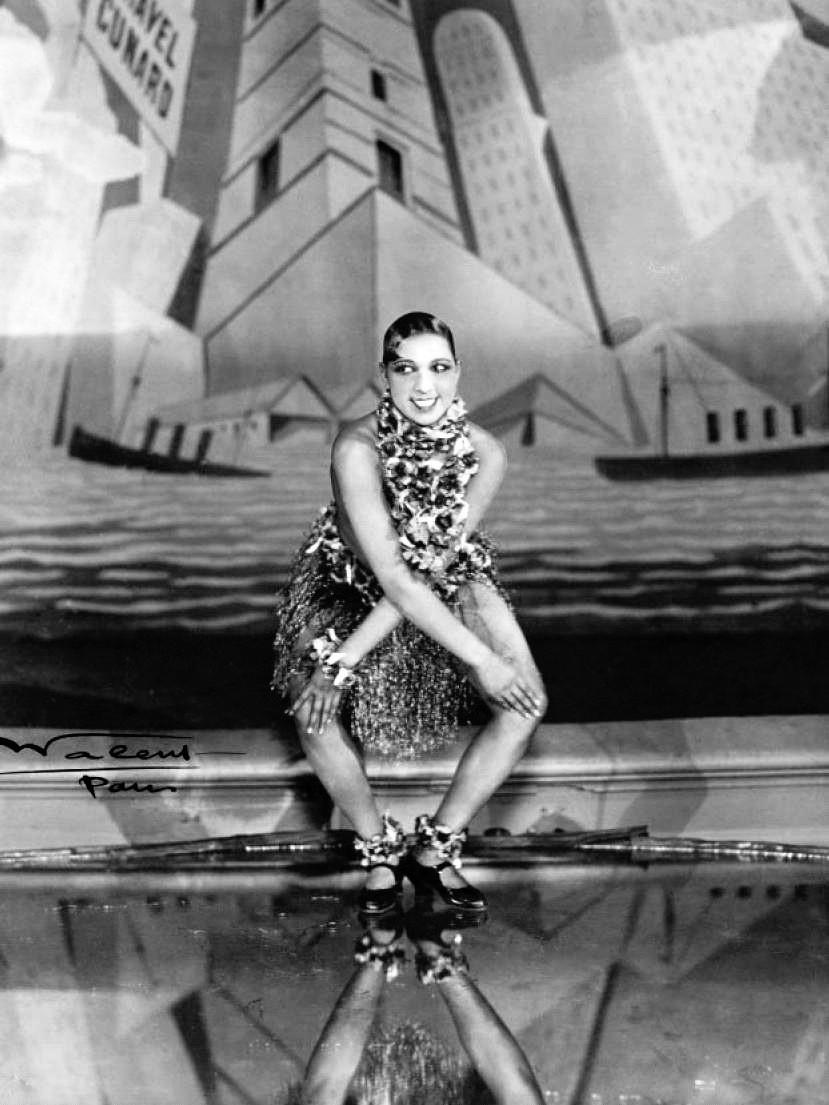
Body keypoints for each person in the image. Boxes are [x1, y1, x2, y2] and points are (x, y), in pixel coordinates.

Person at [272, 311, 547, 913]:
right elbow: (393, 576)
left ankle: (435, 850)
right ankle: (378, 849)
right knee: (312, 710)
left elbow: (429, 570)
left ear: (458, 372)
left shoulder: (487, 453)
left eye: (439, 368)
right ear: (385, 376)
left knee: (526, 703)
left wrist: (485, 661)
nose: (425, 387)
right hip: (349, 580)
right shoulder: (356, 448)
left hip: (441, 576)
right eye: (406, 369)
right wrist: (336, 664)